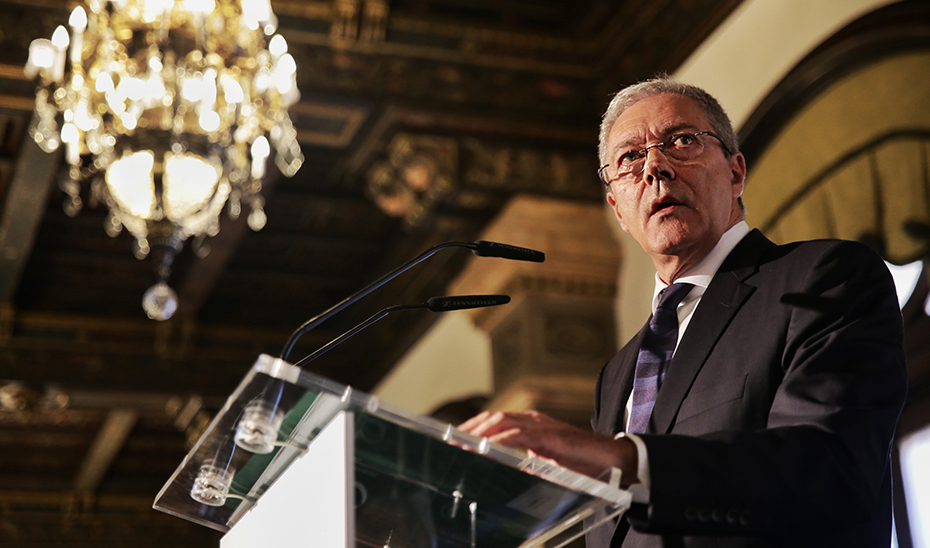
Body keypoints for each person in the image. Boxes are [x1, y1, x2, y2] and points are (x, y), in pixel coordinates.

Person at [459, 77, 907, 547]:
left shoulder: (820, 277)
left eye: (682, 141)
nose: (655, 167)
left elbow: (827, 468)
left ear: (735, 173)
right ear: (617, 207)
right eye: (630, 157)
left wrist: (625, 459)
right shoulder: (616, 373)